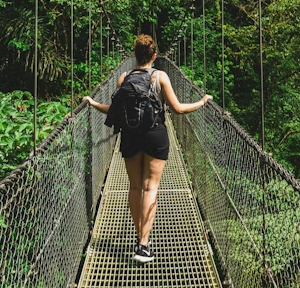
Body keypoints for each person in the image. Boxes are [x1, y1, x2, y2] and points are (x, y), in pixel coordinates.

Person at [83, 34, 212, 263]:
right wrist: (202, 102)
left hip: (130, 136)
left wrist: (93, 103)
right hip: (155, 135)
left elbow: (113, 111)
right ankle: (143, 244)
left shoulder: (124, 78)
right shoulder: (160, 76)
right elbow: (178, 109)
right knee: (151, 187)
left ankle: (139, 235)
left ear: (134, 56)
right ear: (154, 56)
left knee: (134, 188)